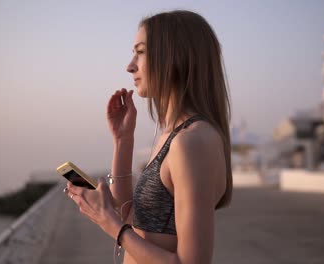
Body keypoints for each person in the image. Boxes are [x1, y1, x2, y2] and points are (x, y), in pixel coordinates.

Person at [65, 10, 232, 263]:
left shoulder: (193, 142)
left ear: (175, 57)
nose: (130, 65)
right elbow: (131, 214)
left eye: (140, 52)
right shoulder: (173, 135)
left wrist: (112, 226)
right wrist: (123, 141)